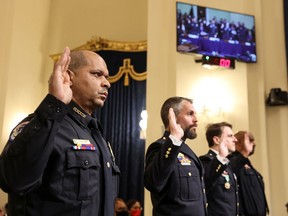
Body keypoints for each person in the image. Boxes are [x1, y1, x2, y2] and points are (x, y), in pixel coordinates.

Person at [0, 47, 121, 216]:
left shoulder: (97, 135)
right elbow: (14, 180)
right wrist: (54, 103)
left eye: (107, 77)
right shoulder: (44, 123)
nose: (107, 82)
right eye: (97, 74)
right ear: (69, 77)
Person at [144, 97, 207, 216]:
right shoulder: (159, 147)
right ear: (172, 117)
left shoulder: (186, 150)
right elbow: (153, 183)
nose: (196, 119)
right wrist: (174, 139)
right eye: (190, 114)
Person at [199, 122, 239, 215]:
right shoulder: (206, 161)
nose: (235, 139)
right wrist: (220, 157)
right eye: (230, 136)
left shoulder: (226, 163)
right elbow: (206, 181)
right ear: (217, 140)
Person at [228, 131, 269, 216]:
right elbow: (231, 171)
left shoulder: (248, 165)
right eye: (250, 140)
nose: (254, 144)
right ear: (238, 142)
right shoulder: (231, 161)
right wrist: (244, 153)